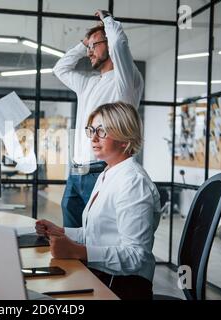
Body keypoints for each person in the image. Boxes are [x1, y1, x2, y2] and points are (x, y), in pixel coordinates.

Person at [36, 102, 160, 300]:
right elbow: (97, 233)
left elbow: (137, 256)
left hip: (124, 288)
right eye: (92, 130)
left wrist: (78, 251)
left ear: (124, 138)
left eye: (102, 131)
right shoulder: (108, 173)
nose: (93, 137)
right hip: (103, 276)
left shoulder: (133, 182)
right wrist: (60, 231)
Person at [53, 10, 144, 228]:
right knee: (71, 237)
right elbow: (60, 68)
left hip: (102, 172)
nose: (89, 52)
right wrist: (84, 43)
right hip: (76, 174)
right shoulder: (88, 84)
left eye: (95, 46)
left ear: (109, 45)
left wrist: (108, 20)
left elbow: (120, 43)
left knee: (97, 238)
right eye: (88, 48)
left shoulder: (126, 82)